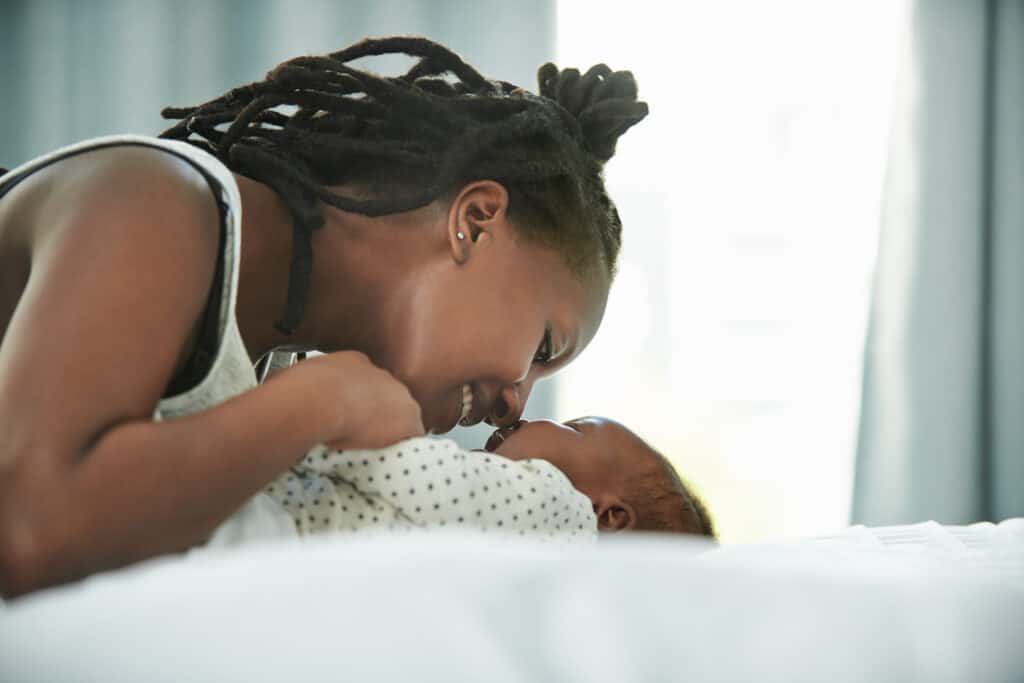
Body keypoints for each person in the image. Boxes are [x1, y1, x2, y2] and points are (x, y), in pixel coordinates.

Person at [0, 37, 648, 596]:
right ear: (476, 220)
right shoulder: (151, 200)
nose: (514, 404)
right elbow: (29, 530)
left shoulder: (261, 366)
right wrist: (323, 401)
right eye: (543, 345)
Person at [207, 417, 715, 545]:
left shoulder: (559, 509)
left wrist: (326, 424)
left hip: (269, 522)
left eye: (575, 426)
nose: (517, 416)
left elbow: (411, 474)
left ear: (608, 514)